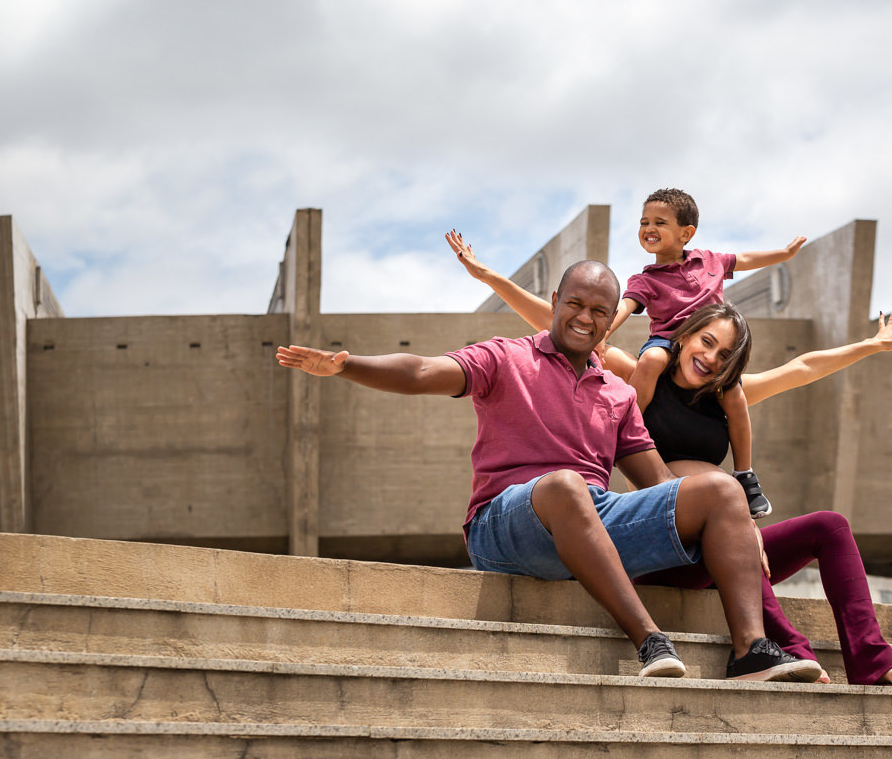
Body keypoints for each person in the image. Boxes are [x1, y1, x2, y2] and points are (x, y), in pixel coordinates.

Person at [279, 260, 822, 684]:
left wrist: (735, 519)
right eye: (575, 304)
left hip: (590, 521)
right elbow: (422, 371)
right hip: (505, 525)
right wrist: (346, 365)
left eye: (599, 312)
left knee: (721, 490)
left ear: (612, 322)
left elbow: (661, 485)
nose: (585, 318)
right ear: (556, 302)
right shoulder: (505, 357)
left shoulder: (617, 393)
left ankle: (751, 651)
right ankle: (649, 640)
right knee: (566, 484)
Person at [447, 231, 892, 686]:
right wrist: (489, 277)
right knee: (729, 514)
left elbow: (801, 369)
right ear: (687, 336)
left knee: (830, 526)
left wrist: (871, 344)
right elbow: (569, 321)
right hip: (657, 540)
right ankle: (789, 647)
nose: (712, 358)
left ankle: (873, 660)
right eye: (707, 342)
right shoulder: (636, 376)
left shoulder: (728, 397)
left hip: (717, 536)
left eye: (726, 354)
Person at [604, 189, 807, 520]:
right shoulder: (645, 279)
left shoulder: (709, 261)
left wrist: (782, 255)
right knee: (651, 360)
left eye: (659, 222)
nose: (648, 228)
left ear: (686, 233)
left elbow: (747, 260)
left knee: (735, 396)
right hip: (669, 345)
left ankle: (745, 474)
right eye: (644, 222)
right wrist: (605, 332)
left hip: (706, 351)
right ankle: (625, 433)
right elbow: (626, 306)